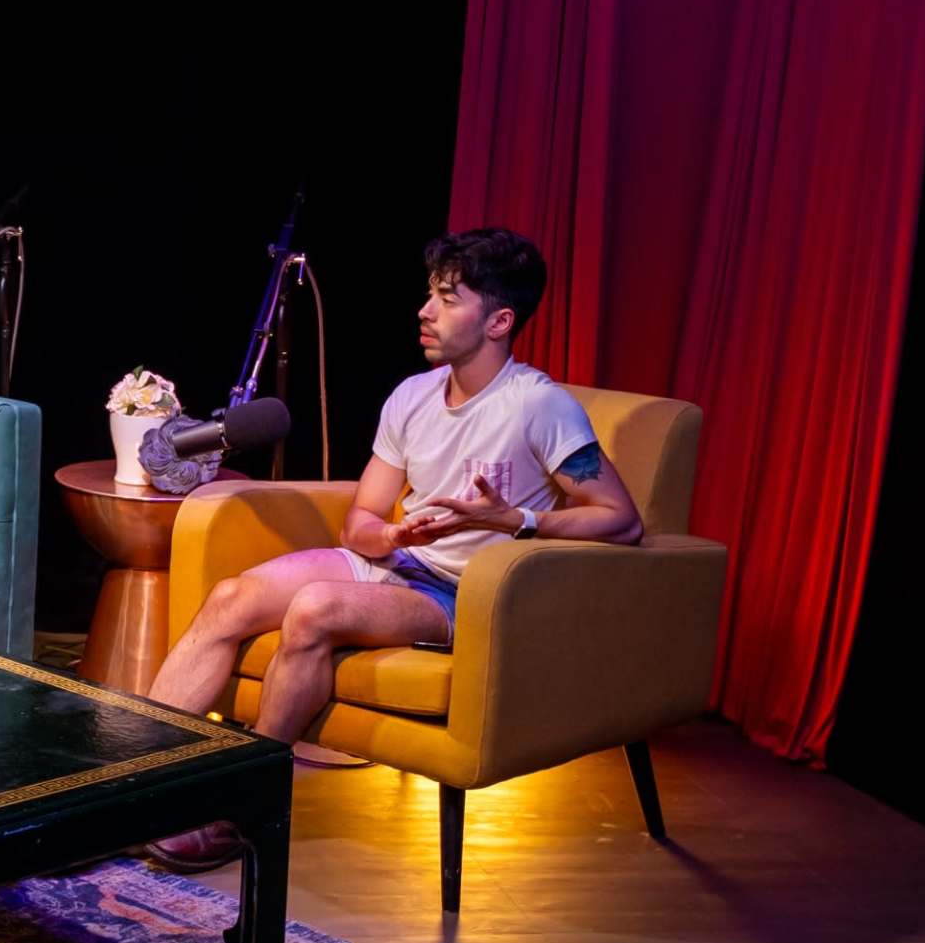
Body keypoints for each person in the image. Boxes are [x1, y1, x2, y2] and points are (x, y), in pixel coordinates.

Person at [140, 229, 642, 873]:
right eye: (429, 295)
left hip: (466, 597)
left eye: (447, 299)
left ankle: (245, 805)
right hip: (399, 564)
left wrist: (514, 518)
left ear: (499, 321)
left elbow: (620, 520)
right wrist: (392, 535)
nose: (424, 311)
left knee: (316, 608)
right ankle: (134, 782)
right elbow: (362, 522)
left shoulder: (540, 406)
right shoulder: (412, 394)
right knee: (233, 596)